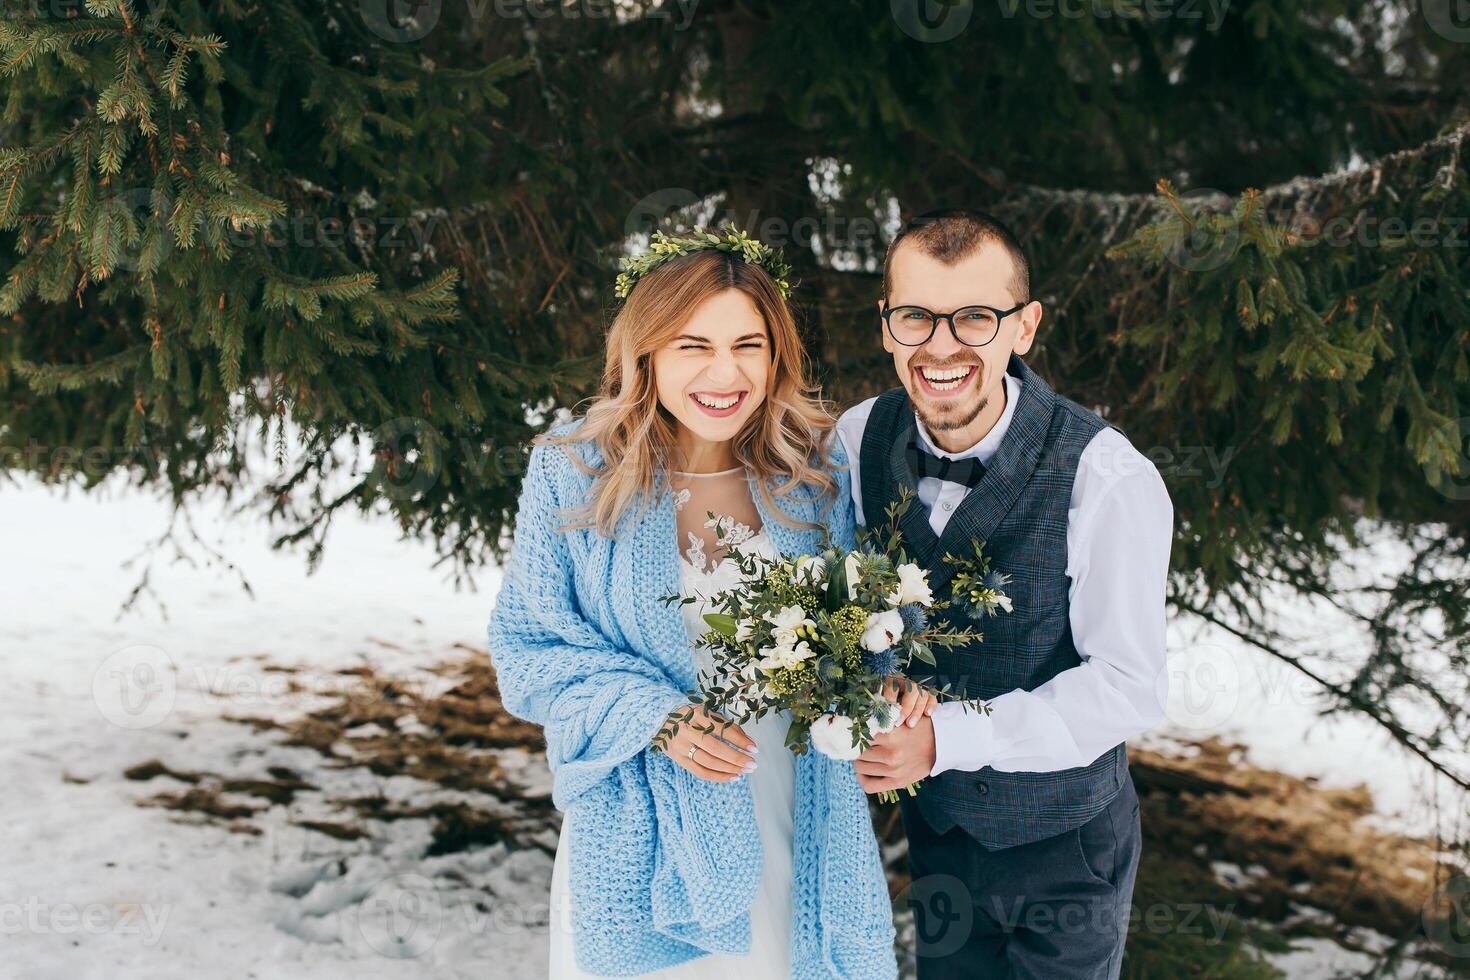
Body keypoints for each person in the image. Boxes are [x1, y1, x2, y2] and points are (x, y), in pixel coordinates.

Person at [487, 228, 907, 979]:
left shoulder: (816, 478)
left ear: (777, 355)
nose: (726, 372)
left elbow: (856, 634)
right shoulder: (572, 472)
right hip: (643, 827)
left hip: (793, 808)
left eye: (748, 344)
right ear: (645, 352)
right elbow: (529, 653)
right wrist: (658, 716)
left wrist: (884, 680)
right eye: (692, 346)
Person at [838, 209, 1174, 979]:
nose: (941, 345)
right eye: (916, 316)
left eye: (975, 318)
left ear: (1024, 328)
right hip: (940, 835)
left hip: (1065, 846)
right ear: (886, 325)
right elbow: (841, 594)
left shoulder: (1108, 477)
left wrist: (947, 738)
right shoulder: (858, 438)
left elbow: (1127, 689)